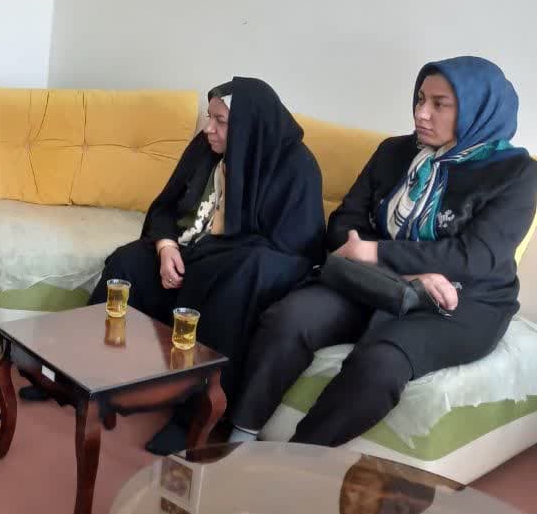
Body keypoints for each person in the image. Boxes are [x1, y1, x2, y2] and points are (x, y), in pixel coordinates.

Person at [229, 57, 537, 447]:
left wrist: (376, 252)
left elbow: (474, 258)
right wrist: (405, 271)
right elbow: (343, 224)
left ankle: (297, 463)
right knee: (288, 320)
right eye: (420, 99)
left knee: (379, 365)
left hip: (460, 300)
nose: (421, 113)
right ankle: (238, 439)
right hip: (374, 281)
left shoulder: (517, 174)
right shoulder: (394, 151)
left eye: (439, 104)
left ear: (478, 108)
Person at [85, 77, 325, 456]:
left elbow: (294, 252)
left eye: (220, 121)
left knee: (236, 284)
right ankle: (87, 374)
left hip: (233, 272)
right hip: (186, 253)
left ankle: (190, 417)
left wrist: (213, 257)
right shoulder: (206, 148)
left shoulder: (296, 167)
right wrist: (166, 246)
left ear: (248, 126)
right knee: (125, 262)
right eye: (208, 117)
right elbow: (166, 206)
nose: (208, 129)